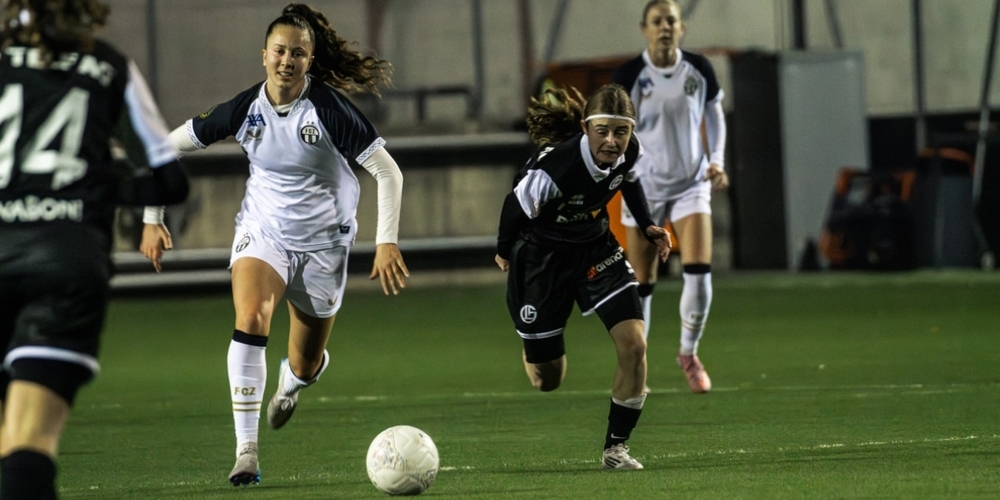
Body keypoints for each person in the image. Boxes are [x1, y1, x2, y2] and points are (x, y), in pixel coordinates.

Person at [139, 3, 408, 487]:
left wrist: (385, 241)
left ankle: (292, 382)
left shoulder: (329, 109)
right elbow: (165, 146)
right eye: (279, 51)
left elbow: (388, 170)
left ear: (309, 60)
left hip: (326, 245)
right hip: (265, 232)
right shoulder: (244, 109)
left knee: (305, 361)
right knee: (250, 317)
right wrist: (151, 218)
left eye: (298, 53)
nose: (287, 60)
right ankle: (246, 451)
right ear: (263, 55)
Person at [0, 0, 190, 497]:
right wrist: (105, 185)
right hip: (63, 262)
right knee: (27, 440)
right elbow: (167, 176)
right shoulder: (109, 66)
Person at [495, 84, 671, 470]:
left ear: (631, 131)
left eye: (621, 131)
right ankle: (533, 341)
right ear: (585, 128)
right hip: (542, 260)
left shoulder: (630, 150)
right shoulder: (556, 167)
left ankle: (615, 449)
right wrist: (504, 251)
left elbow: (628, 179)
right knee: (547, 380)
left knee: (634, 346)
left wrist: (647, 226)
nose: (612, 141)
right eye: (603, 131)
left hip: (596, 250)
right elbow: (514, 206)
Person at [612, 0, 728, 394]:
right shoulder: (630, 74)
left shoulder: (698, 69)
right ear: (644, 28)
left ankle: (688, 354)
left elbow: (714, 112)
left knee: (698, 272)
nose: (664, 27)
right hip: (642, 187)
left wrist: (717, 161)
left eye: (671, 21)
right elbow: (613, 127)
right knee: (642, 281)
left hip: (690, 183)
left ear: (683, 28)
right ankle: (637, 362)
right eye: (657, 21)